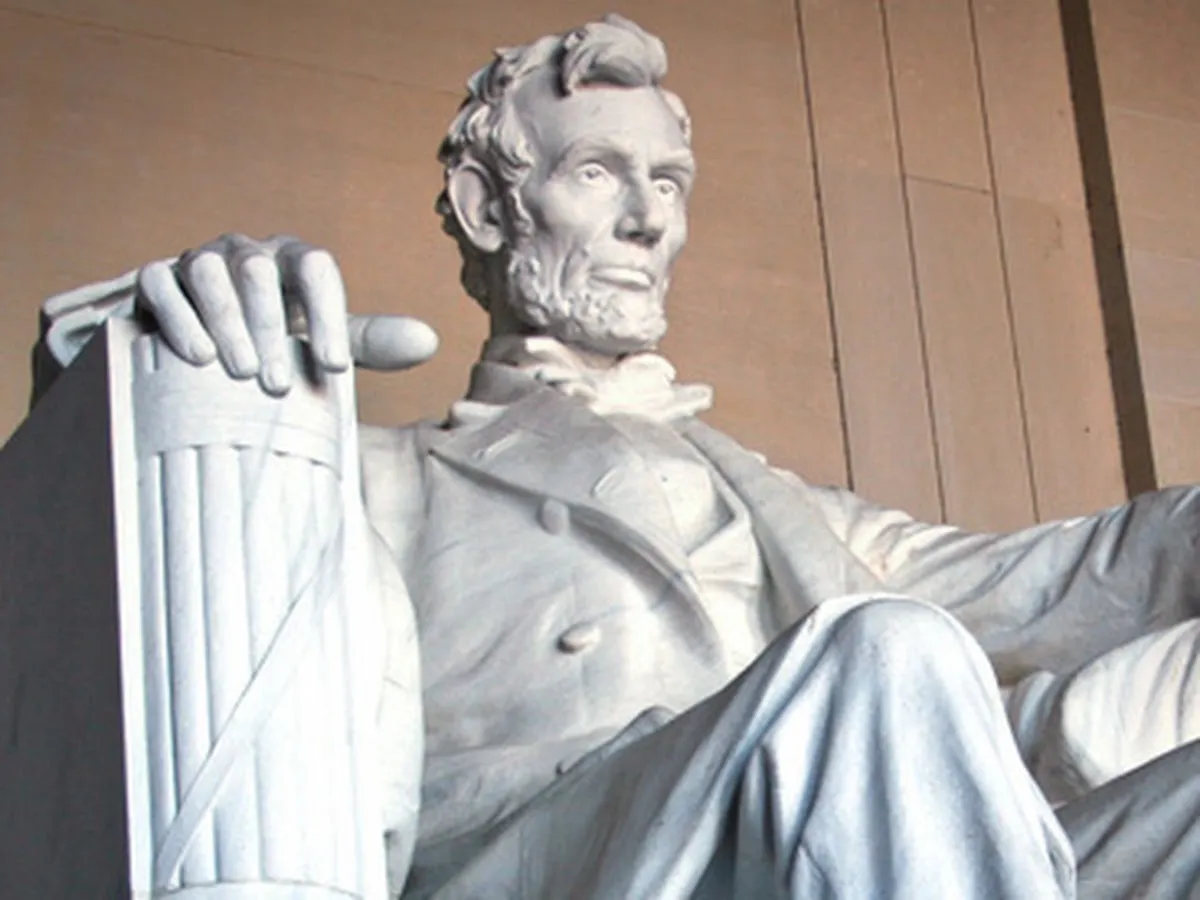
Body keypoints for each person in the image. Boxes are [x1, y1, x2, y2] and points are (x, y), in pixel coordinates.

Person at [34, 14, 1200, 899]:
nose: (650, 219)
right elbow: (85, 571)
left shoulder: (784, 506)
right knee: (884, 652)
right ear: (487, 207)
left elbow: (1066, 578)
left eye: (669, 183)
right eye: (599, 172)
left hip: (858, 843)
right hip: (570, 857)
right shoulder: (380, 477)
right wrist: (164, 335)